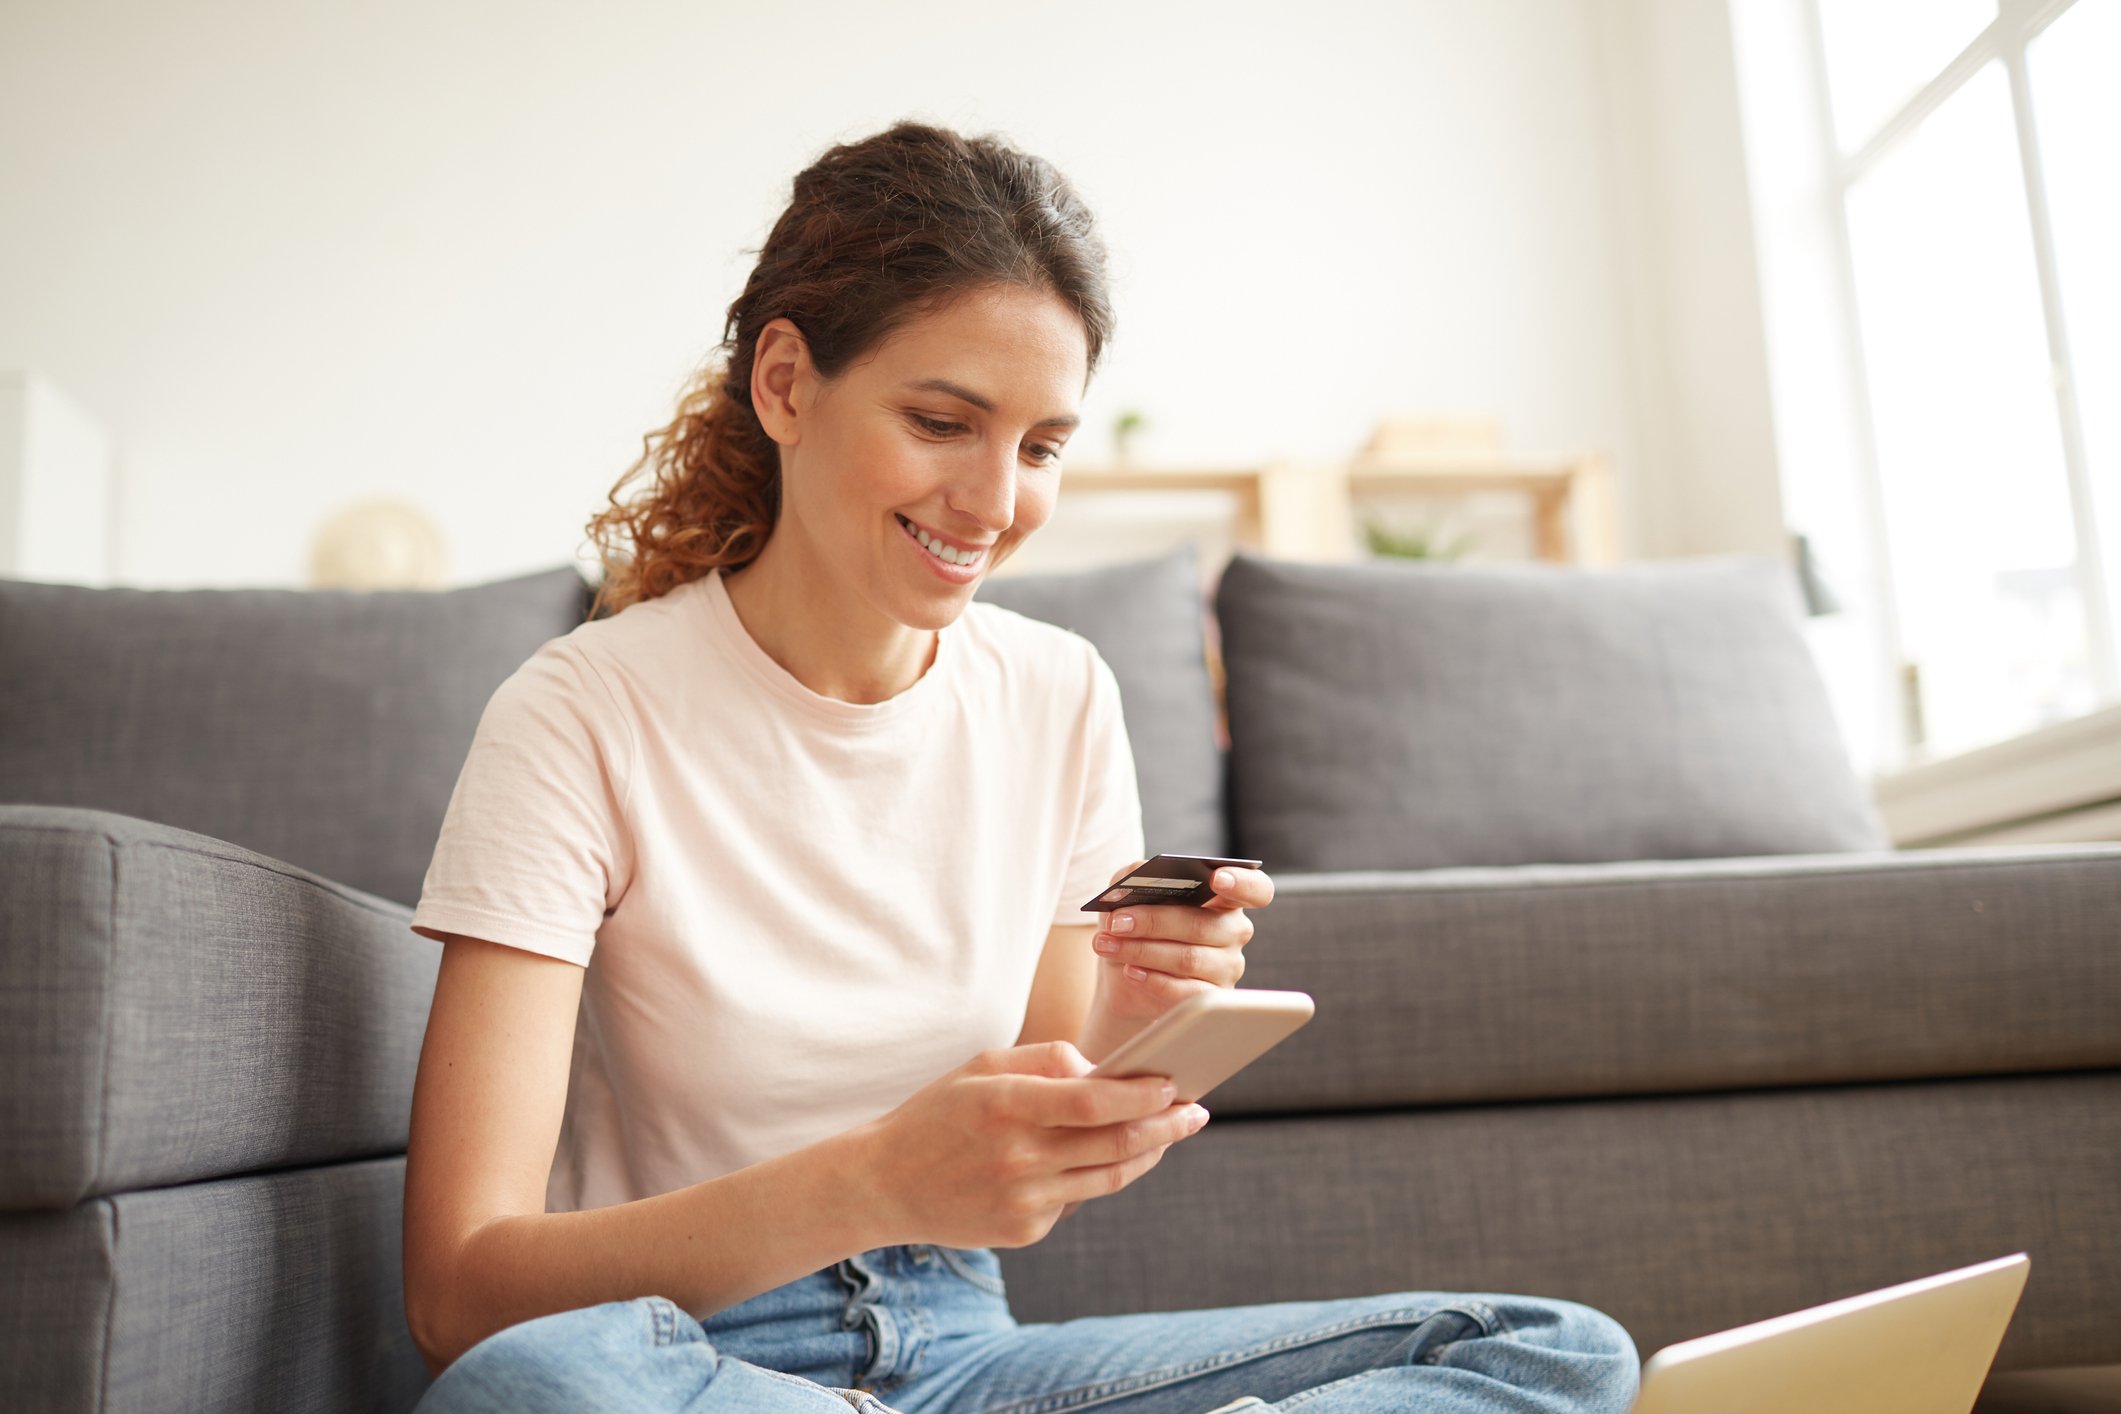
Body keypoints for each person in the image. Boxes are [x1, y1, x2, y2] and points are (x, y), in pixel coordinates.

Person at [401, 118, 1640, 1414]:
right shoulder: (580, 712)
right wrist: (871, 1178)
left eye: (1042, 446)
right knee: (535, 1387)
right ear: (783, 385)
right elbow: (455, 1294)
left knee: (1552, 1350)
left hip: (964, 1349)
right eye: (943, 422)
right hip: (693, 1359)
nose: (995, 502)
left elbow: (1028, 1129)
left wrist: (1129, 1016)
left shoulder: (1057, 692)